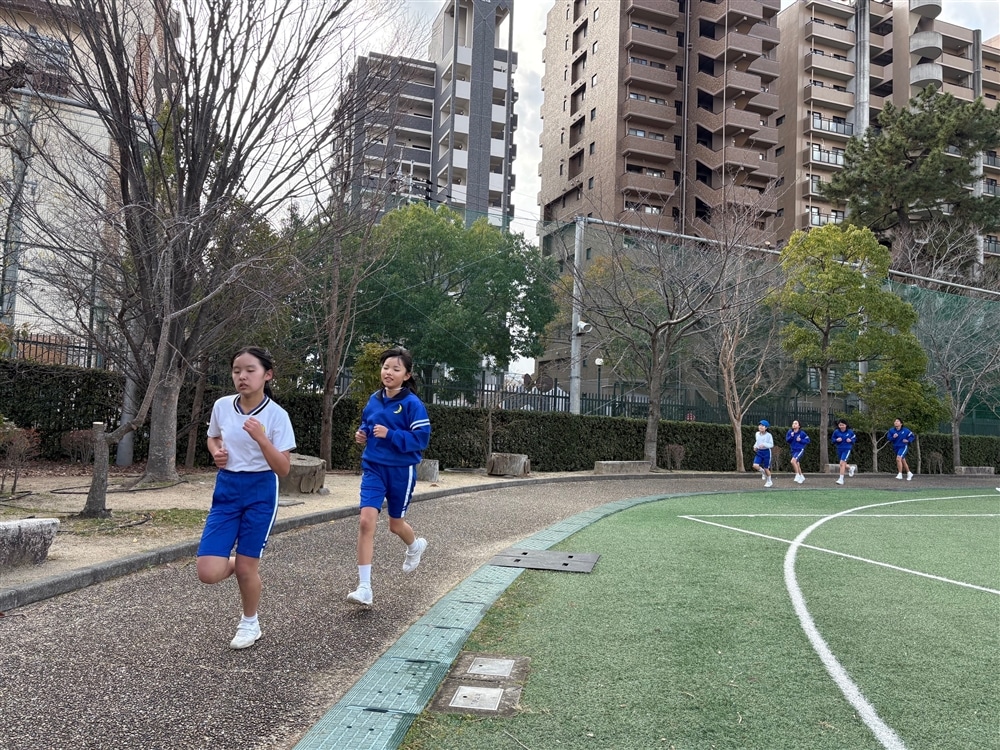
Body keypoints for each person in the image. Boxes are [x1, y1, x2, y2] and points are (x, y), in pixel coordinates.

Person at [197, 347, 295, 650]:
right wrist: (217, 452)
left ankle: (250, 623)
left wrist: (262, 438)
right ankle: (241, 563)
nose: (242, 376)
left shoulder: (277, 415)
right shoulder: (222, 406)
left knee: (245, 569)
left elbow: (283, 468)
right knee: (208, 572)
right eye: (237, 370)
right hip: (227, 489)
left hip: (261, 490)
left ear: (267, 375)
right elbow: (213, 437)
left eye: (250, 370)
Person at [348, 347, 432, 607]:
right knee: (366, 522)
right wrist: (362, 434)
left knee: (395, 525)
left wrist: (391, 434)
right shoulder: (374, 399)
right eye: (386, 367)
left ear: (406, 375)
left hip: (401, 471)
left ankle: (415, 546)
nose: (389, 372)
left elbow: (421, 439)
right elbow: (367, 425)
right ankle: (364, 588)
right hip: (373, 467)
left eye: (396, 369)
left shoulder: (413, 404)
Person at [830, 419, 857, 485]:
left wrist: (850, 440)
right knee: (842, 464)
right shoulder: (836, 432)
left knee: (842, 463)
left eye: (843, 425)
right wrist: (836, 440)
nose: (841, 426)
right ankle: (850, 468)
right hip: (839, 449)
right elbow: (832, 440)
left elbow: (854, 438)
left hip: (847, 449)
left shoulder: (850, 432)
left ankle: (841, 479)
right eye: (840, 425)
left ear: (846, 425)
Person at [785, 420, 811, 484]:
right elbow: (787, 440)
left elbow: (808, 440)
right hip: (793, 450)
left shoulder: (802, 433)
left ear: (799, 426)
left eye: (796, 423)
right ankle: (801, 476)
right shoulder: (790, 432)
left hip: (799, 450)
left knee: (793, 461)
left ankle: (797, 475)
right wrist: (791, 436)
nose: (794, 424)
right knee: (797, 463)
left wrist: (800, 440)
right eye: (793, 423)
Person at [752, 420, 774, 488]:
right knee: (755, 465)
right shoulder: (757, 434)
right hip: (759, 452)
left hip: (767, 452)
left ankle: (769, 481)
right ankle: (763, 472)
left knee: (766, 468)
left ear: (766, 428)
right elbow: (757, 442)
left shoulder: (769, 435)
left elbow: (771, 445)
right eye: (760, 425)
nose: (760, 427)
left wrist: (764, 444)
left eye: (762, 426)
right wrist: (755, 446)